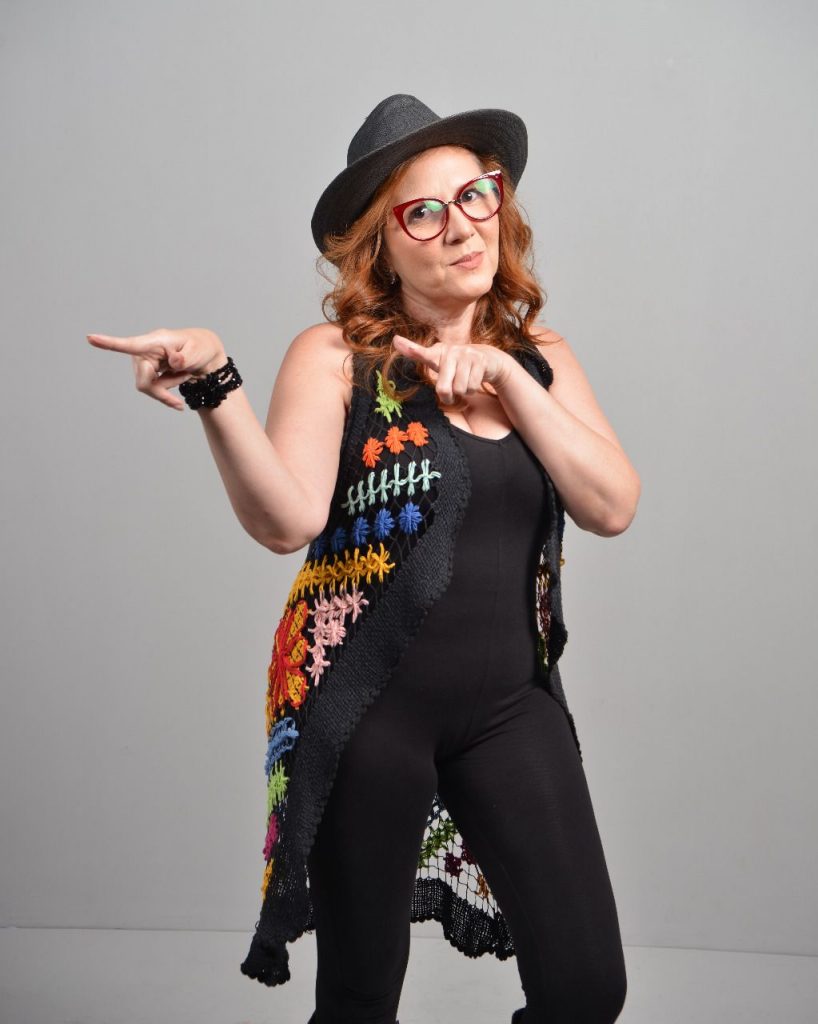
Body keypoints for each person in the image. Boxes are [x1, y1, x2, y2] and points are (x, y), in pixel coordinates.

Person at [87, 94, 640, 1024]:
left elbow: (611, 505)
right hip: (364, 708)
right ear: (378, 245)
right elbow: (285, 521)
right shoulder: (337, 357)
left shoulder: (540, 357)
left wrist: (508, 378)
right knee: (358, 998)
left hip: (512, 708)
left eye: (475, 195)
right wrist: (218, 385)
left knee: (587, 989)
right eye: (422, 211)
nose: (460, 226)